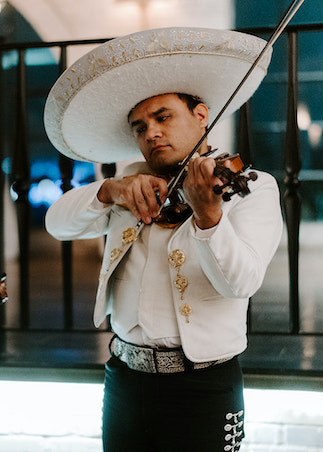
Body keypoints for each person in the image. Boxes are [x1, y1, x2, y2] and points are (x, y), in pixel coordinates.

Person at [43, 28, 283, 451]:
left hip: (205, 384)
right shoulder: (130, 185)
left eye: (163, 117)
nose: (151, 132)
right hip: (125, 378)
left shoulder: (251, 187)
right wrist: (108, 190)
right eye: (140, 127)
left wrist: (209, 216)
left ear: (202, 114)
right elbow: (57, 223)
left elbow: (241, 283)